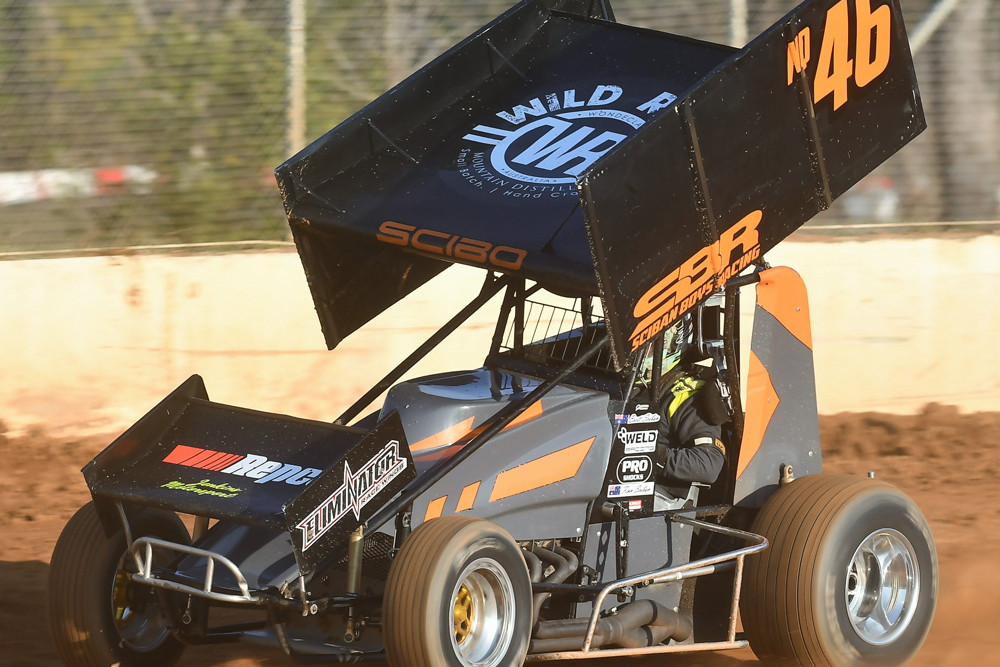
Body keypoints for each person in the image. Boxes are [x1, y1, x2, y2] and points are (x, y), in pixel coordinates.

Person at [635, 315, 729, 486]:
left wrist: (644, 457)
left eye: (647, 347)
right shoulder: (613, 378)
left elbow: (708, 464)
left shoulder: (686, 394)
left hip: (656, 493)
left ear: (673, 345)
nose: (637, 353)